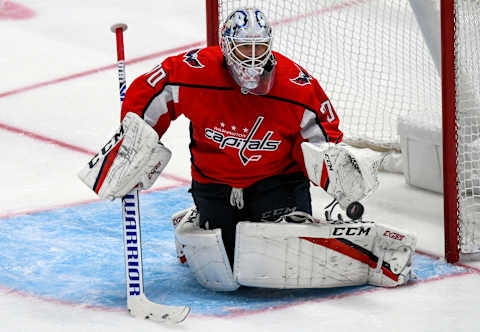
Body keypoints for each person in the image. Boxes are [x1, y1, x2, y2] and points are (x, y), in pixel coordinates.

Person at [79, 7, 415, 291]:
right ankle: (197, 220)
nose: (253, 58)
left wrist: (336, 172)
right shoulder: (195, 72)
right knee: (222, 273)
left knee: (276, 249)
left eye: (259, 48)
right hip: (214, 181)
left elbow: (323, 142)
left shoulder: (295, 86)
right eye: (244, 49)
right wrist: (136, 140)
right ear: (226, 47)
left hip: (278, 181)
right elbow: (152, 90)